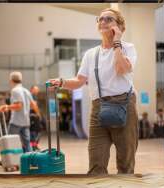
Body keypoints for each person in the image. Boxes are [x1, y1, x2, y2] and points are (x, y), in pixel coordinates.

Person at [48, 8, 138, 174]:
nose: (102, 21)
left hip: (125, 105)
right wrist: (61, 82)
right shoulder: (90, 54)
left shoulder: (128, 48)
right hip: (98, 108)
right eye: (100, 19)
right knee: (96, 163)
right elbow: (79, 81)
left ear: (120, 26)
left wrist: (117, 42)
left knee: (126, 164)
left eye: (108, 19)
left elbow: (122, 69)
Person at [0, 71, 41, 153]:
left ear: (11, 80)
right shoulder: (26, 91)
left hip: (16, 122)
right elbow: (34, 105)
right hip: (26, 122)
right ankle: (30, 160)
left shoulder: (15, 90)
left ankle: (11, 160)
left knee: (10, 141)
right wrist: (38, 115)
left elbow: (19, 106)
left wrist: (6, 107)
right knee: (27, 143)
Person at [29, 85, 42, 151]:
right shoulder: (31, 96)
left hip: (33, 117)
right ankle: (33, 147)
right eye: (36, 89)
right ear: (32, 89)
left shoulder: (33, 96)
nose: (37, 91)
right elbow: (34, 106)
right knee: (33, 132)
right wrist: (38, 114)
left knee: (36, 132)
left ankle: (34, 146)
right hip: (32, 117)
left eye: (38, 89)